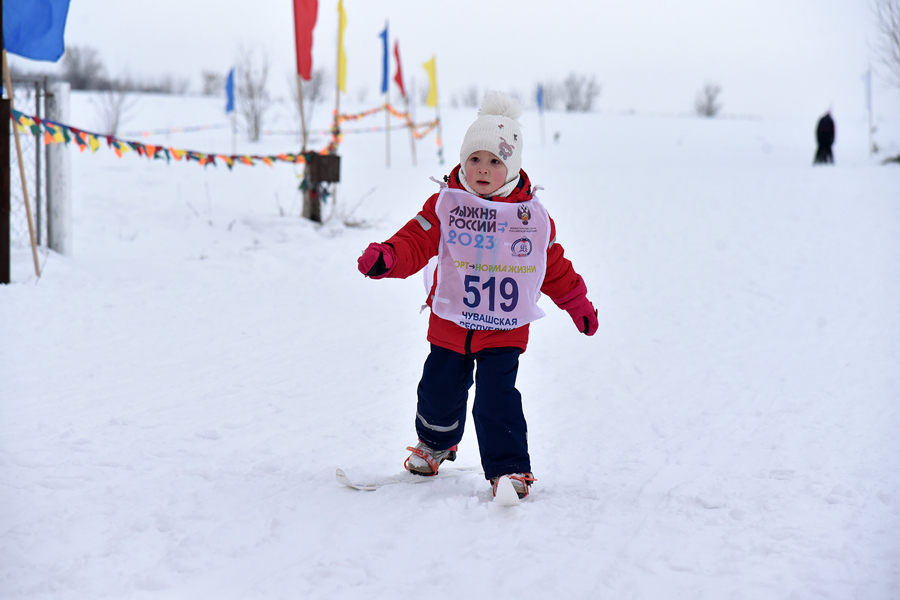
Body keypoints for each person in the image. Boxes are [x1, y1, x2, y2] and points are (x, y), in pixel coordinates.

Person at [356, 91, 598, 500]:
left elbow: (552, 266)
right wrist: (388, 257)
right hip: (452, 321)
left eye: (494, 161)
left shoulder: (529, 218)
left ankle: (510, 469)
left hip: (503, 328)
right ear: (463, 161)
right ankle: (436, 444)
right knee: (438, 389)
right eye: (475, 159)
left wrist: (577, 304)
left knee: (496, 399)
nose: (483, 169)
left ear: (512, 167)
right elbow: (415, 240)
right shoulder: (446, 204)